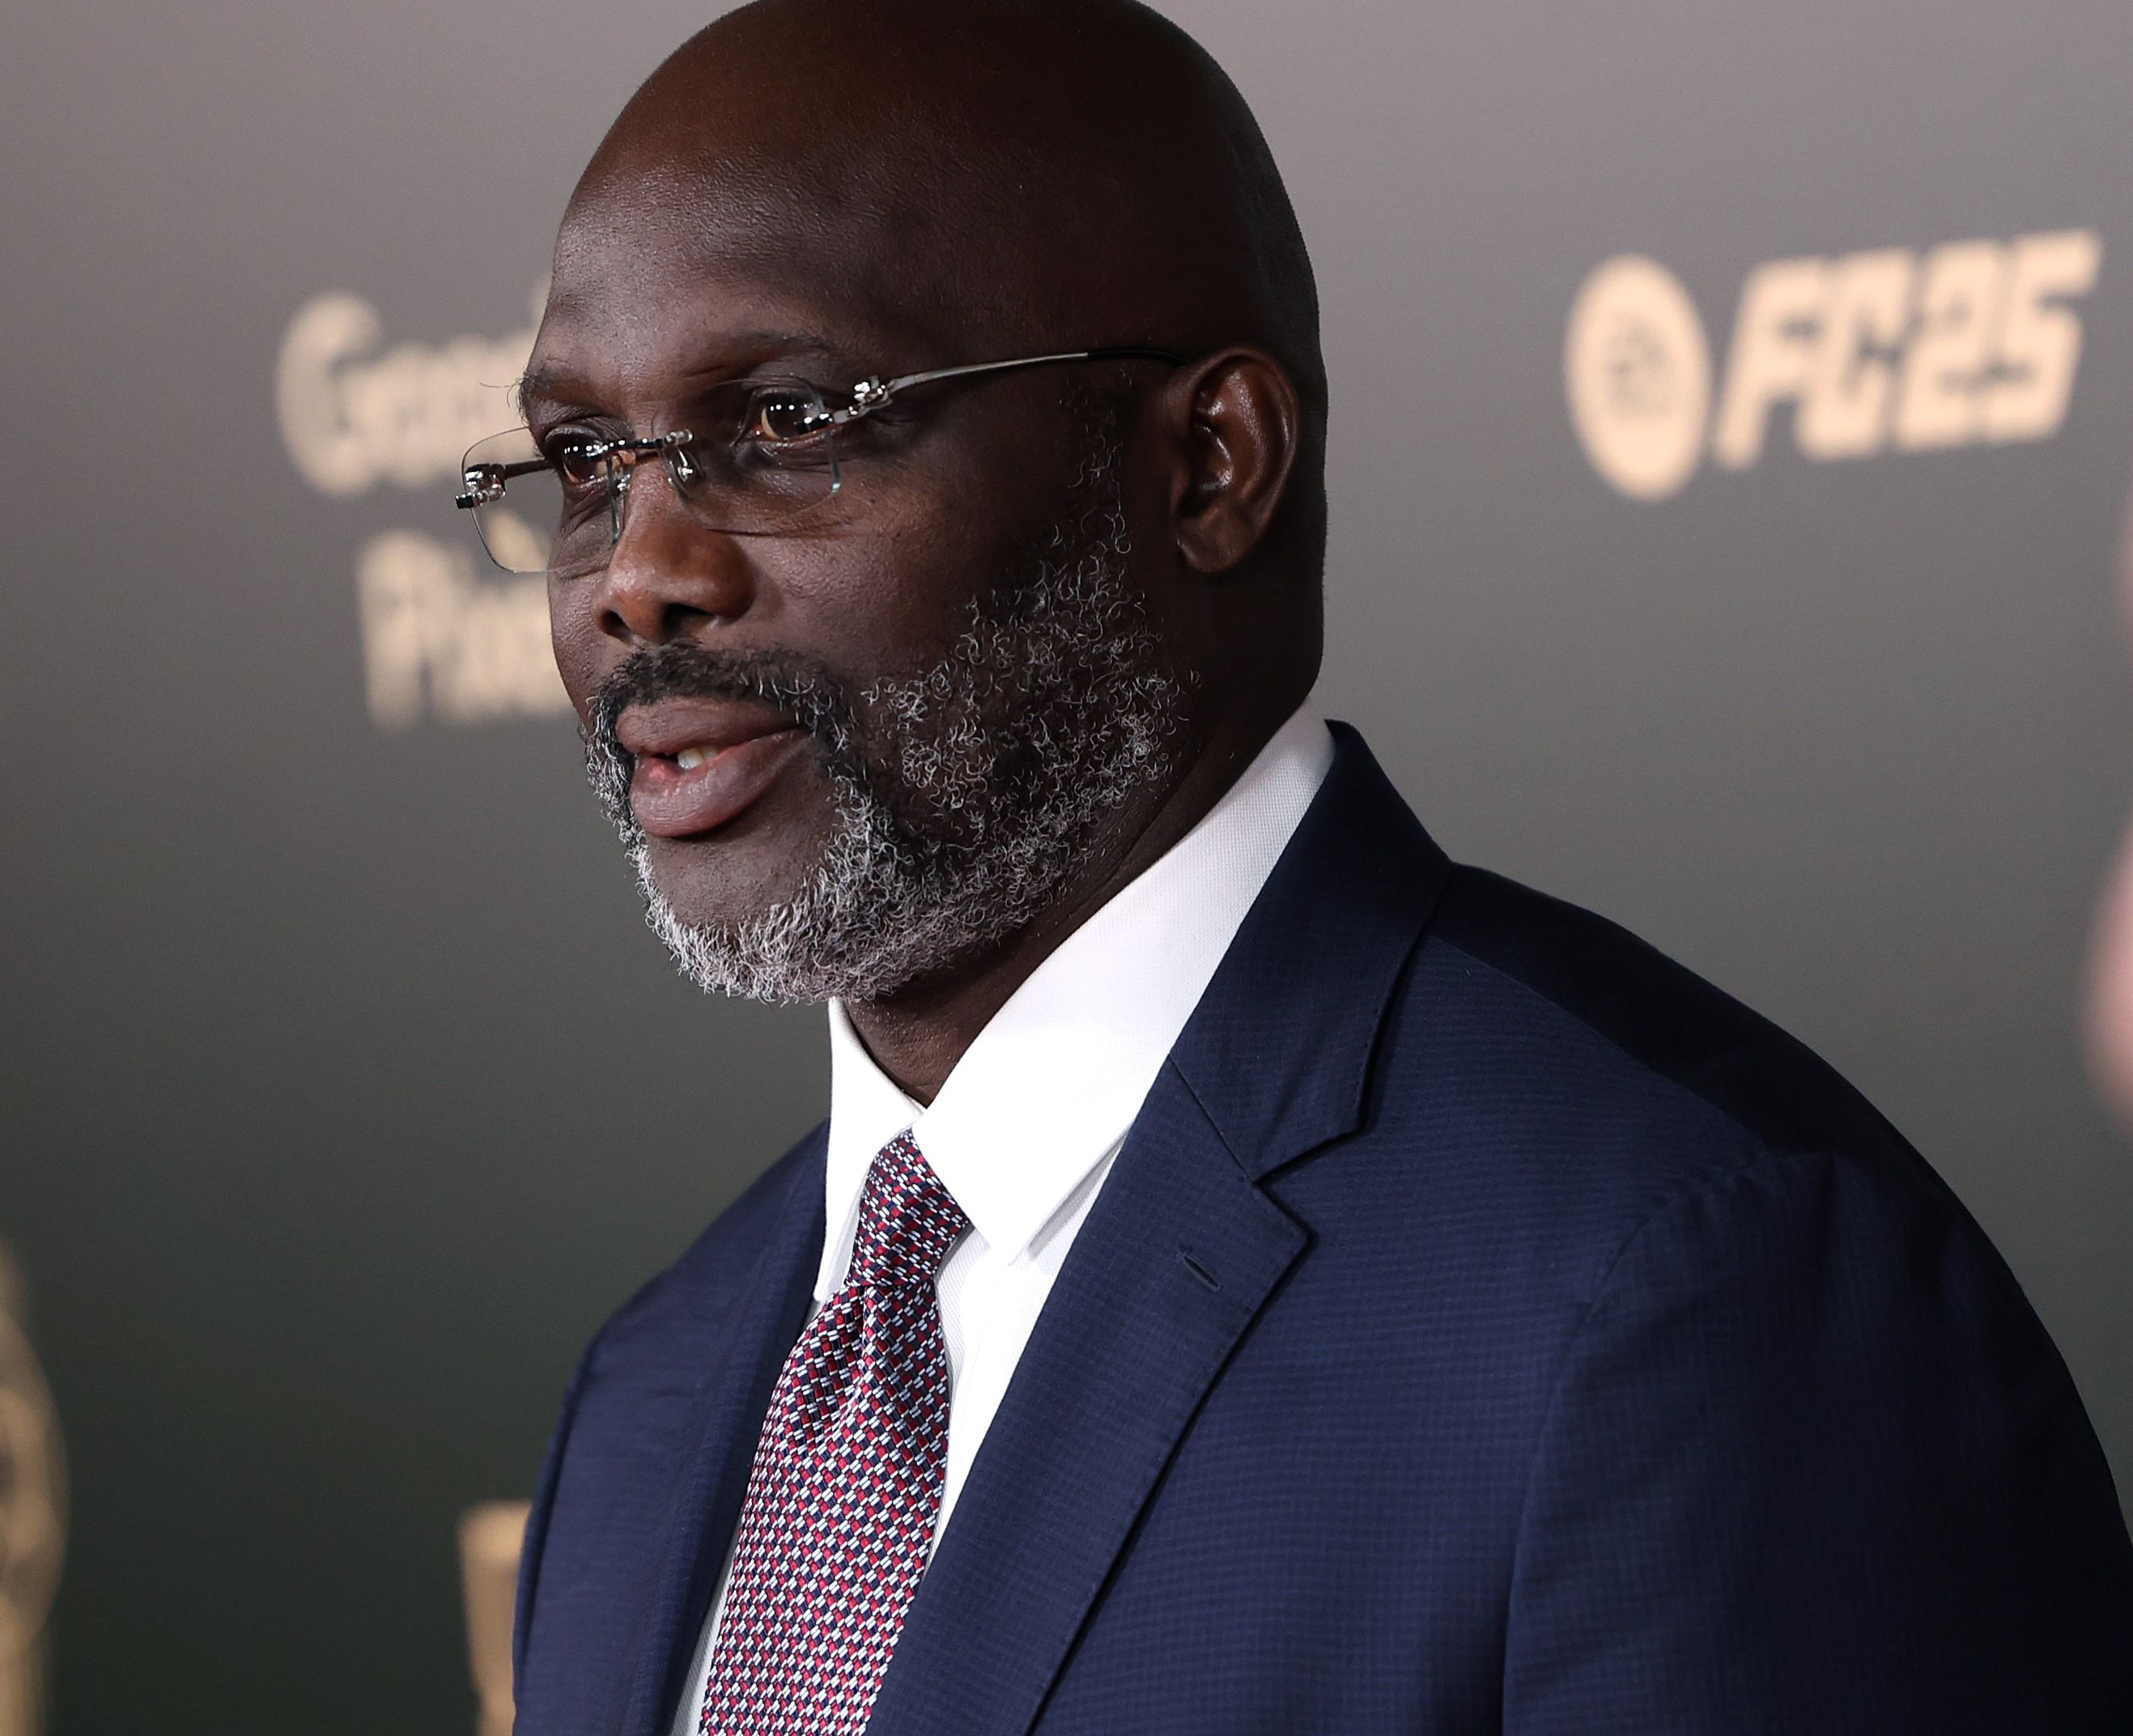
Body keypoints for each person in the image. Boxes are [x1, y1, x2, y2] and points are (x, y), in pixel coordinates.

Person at [468, 2, 2133, 1730]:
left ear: (1205, 464)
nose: (635, 572)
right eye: (584, 460)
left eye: (793, 418)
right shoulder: (655, 1392)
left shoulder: (1679, 1288)